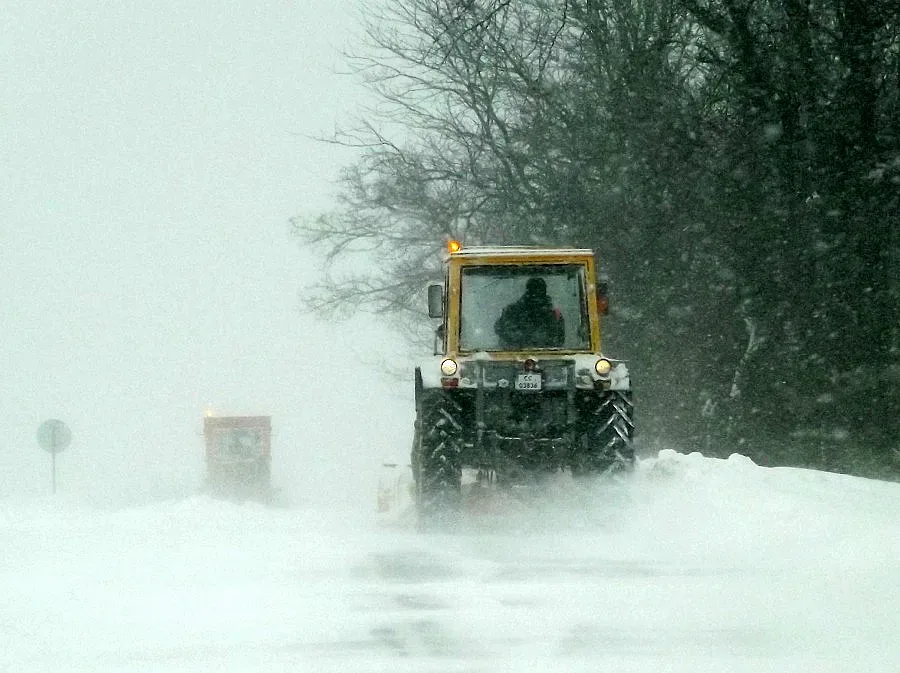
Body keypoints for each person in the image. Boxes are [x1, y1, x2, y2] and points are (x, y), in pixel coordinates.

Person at [494, 276, 565, 348]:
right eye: (534, 290)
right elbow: (501, 330)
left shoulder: (554, 315)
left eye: (539, 290)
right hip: (514, 356)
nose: (536, 294)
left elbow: (558, 342)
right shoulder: (512, 311)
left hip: (547, 357)